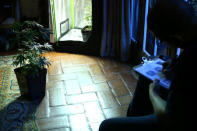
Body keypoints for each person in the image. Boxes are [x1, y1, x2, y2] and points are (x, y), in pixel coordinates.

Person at [99, 0, 197, 130]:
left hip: (179, 122)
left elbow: (167, 118)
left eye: (162, 40)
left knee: (107, 126)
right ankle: (134, 119)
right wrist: (174, 64)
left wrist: (153, 93)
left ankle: (133, 120)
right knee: (151, 69)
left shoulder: (188, 61)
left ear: (176, 37)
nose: (164, 44)